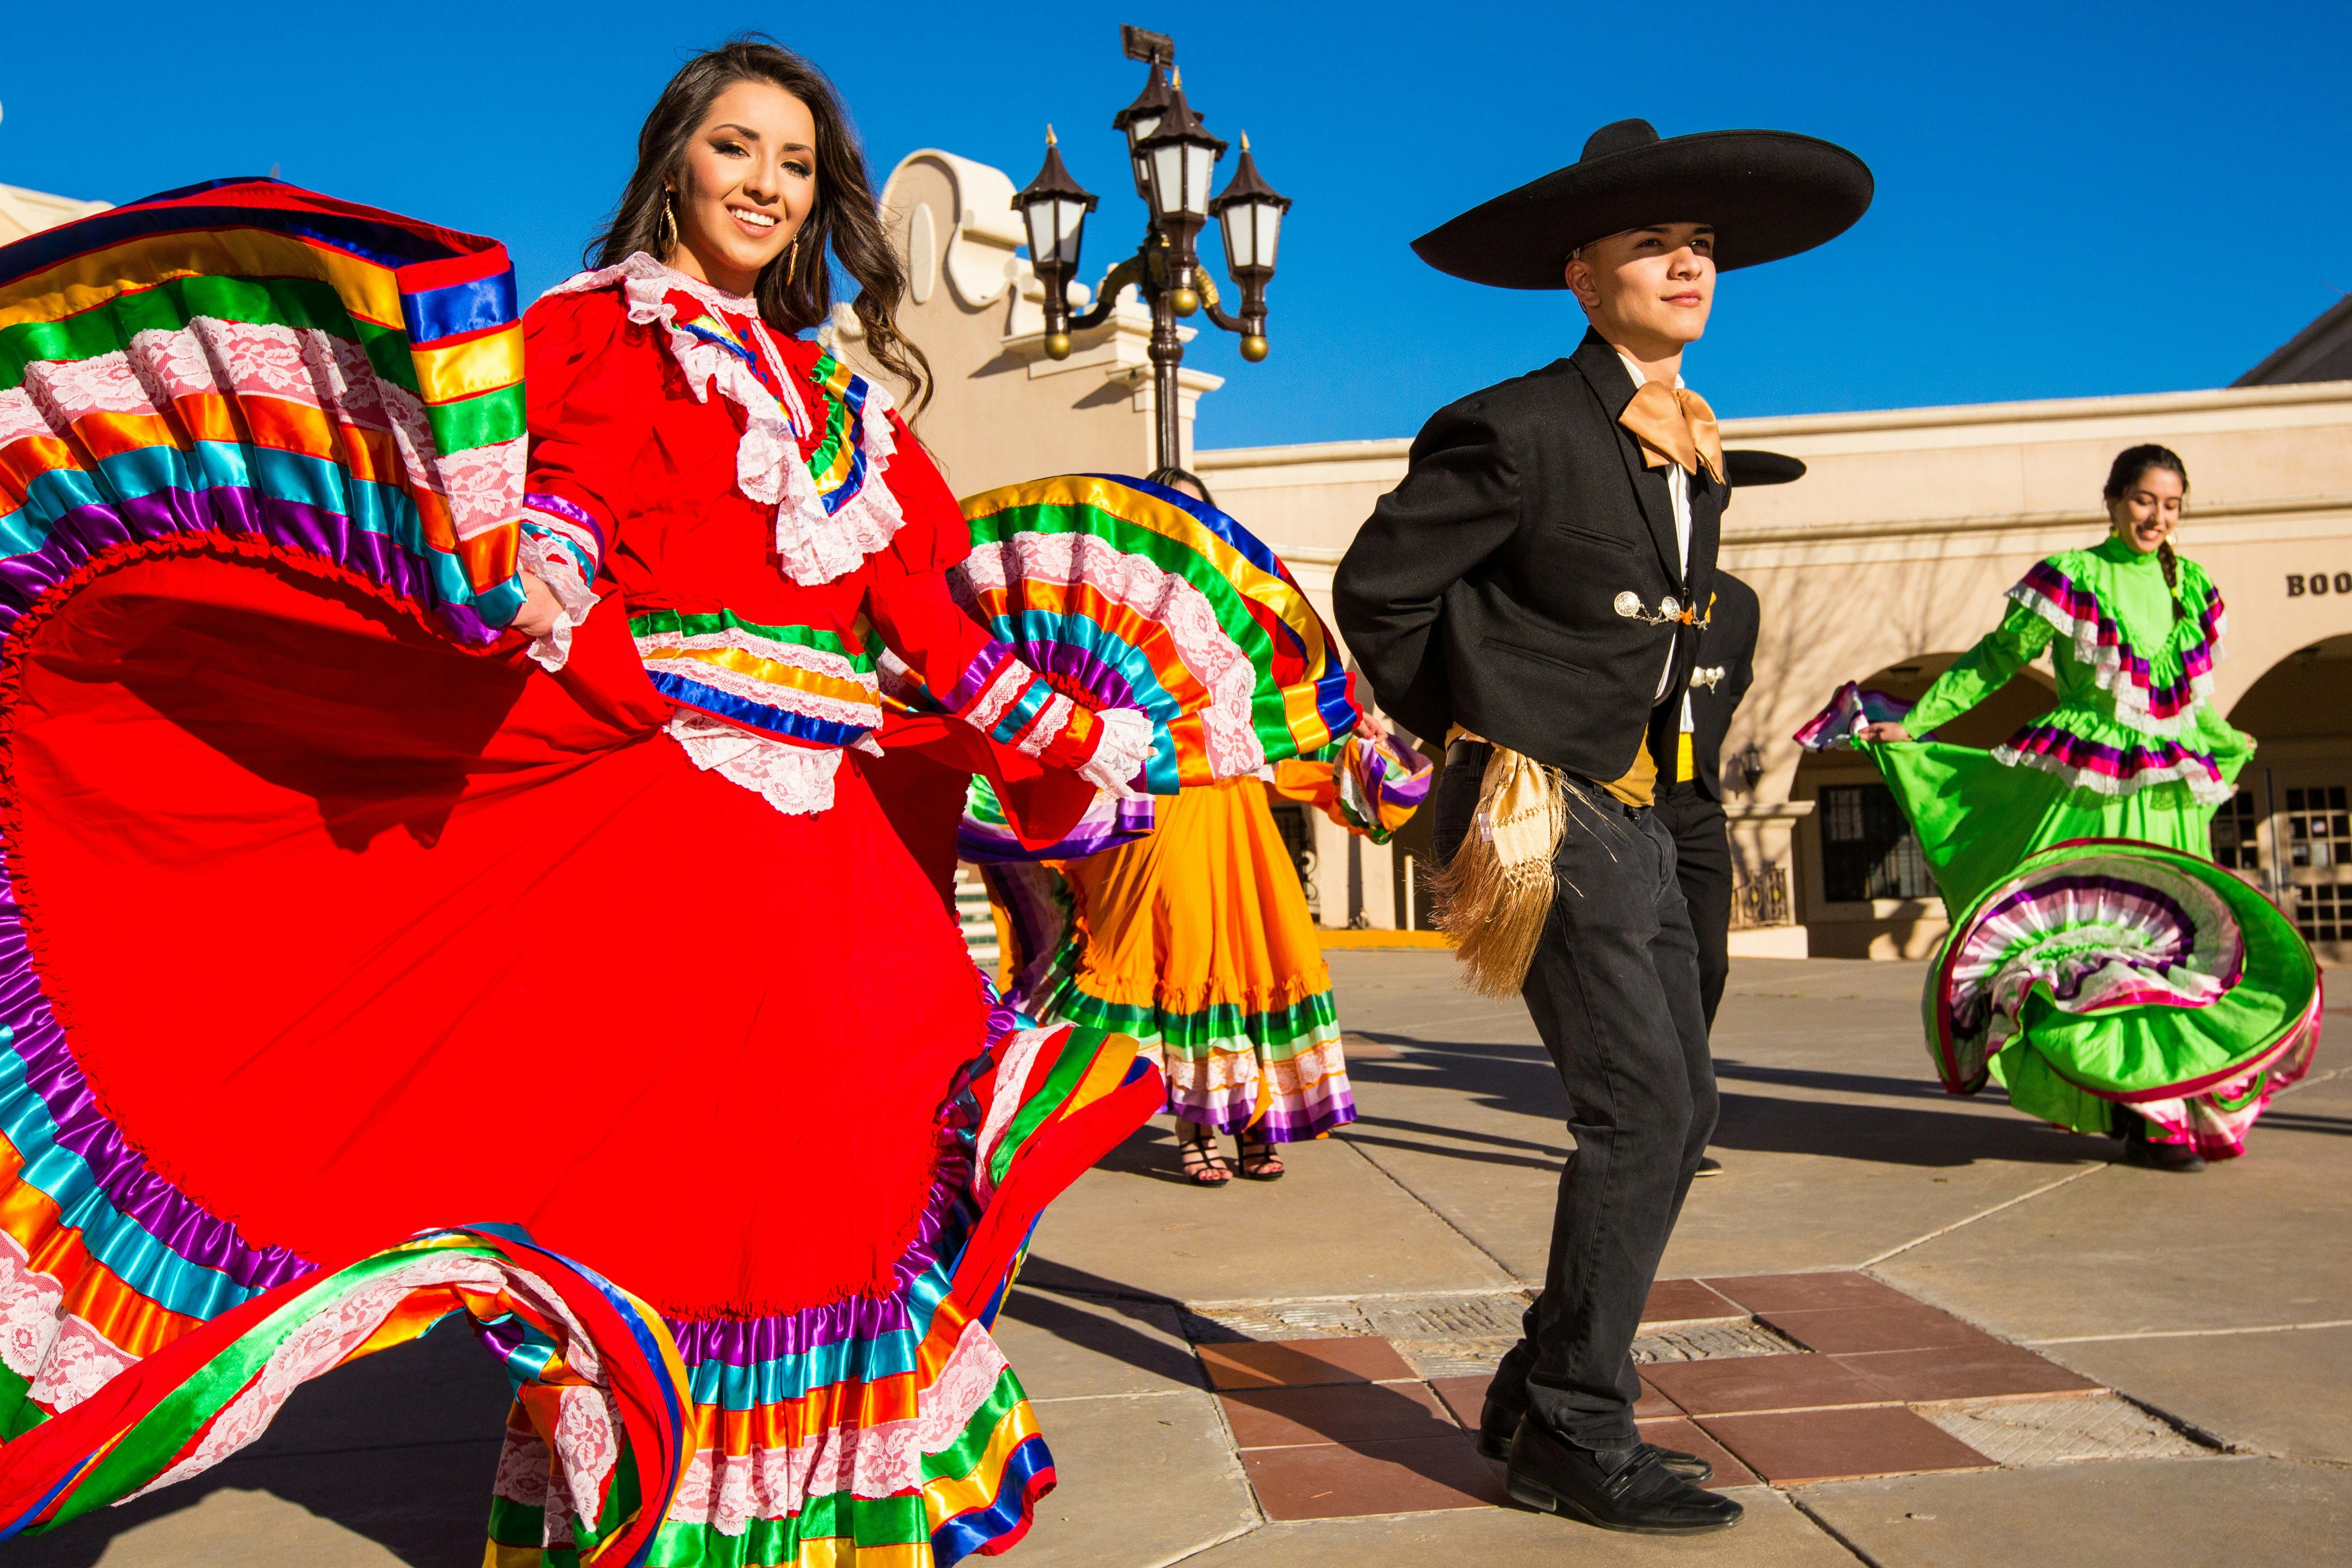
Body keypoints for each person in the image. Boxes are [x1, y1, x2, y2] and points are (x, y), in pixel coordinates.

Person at [0, 42, 1224, 1562]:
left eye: (794, 159)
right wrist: (543, 574)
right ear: (675, 163)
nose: (766, 183)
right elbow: (564, 499)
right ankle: (672, 1504)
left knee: (864, 1148)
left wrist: (1077, 733)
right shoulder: (605, 334)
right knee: (707, 1181)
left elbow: (932, 621)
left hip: (838, 845)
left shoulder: (849, 395)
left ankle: (818, 1507)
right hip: (682, 824)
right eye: (735, 148)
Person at [1335, 117, 1871, 1535]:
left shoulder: (1690, 447)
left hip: (1643, 812)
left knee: (1681, 1107)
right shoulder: (1513, 426)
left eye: (1701, 246)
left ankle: (1538, 1383)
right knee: (1640, 1113)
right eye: (1655, 246)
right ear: (1582, 277)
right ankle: (1576, 1426)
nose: (1690, 264)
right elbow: (1380, 595)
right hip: (1538, 800)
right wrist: (1489, 719)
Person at [1810, 444, 2320, 1171]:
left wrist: (2226, 742)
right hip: (2089, 787)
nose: (2158, 516)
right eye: (2145, 500)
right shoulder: (2073, 578)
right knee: (2099, 946)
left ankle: (2164, 1104)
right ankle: (2136, 1107)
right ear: (2112, 500)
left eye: (2172, 505)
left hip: (2169, 796)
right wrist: (1919, 723)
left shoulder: (2194, 588)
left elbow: (2187, 706)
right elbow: (1995, 659)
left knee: (2176, 951)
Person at [974, 472, 1431, 1185]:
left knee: (1253, 971)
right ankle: (1195, 1129)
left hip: (1240, 832)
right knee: (1180, 970)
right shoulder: (1120, 643)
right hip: (1155, 829)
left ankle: (1256, 1129)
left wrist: (1355, 730)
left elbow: (1307, 748)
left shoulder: (1232, 648)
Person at [1652, 450, 1796, 1177]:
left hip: (1699, 805)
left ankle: (1678, 1104)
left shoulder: (1738, 605)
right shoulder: (1632, 592)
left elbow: (1731, 689)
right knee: (1640, 966)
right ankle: (1657, 1117)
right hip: (1629, 803)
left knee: (1709, 961)